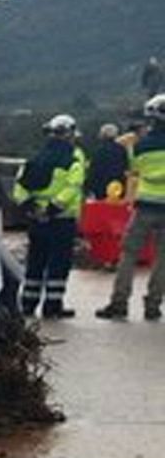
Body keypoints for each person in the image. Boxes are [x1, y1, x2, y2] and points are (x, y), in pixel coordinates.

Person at [97, 95, 165, 321]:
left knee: (129, 254)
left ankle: (119, 303)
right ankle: (153, 306)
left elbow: (135, 171)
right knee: (163, 258)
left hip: (144, 206)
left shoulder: (139, 147)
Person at [13, 114, 86, 319]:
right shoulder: (73, 160)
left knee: (35, 262)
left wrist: (33, 207)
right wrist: (52, 209)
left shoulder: (34, 159)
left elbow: (19, 188)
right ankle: (52, 306)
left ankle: (27, 303)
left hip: (36, 221)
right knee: (58, 264)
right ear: (71, 135)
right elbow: (72, 188)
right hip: (61, 220)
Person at [86, 124, 130, 201]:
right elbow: (126, 167)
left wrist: (89, 186)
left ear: (102, 135)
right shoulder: (122, 150)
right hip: (118, 187)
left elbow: (93, 170)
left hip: (100, 187)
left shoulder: (98, 150)